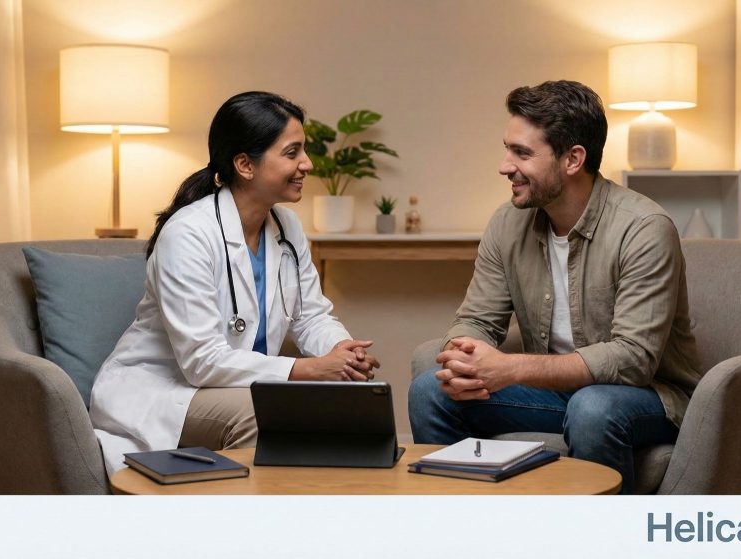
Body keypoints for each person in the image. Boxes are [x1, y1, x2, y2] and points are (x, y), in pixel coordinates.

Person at [408, 80, 701, 494]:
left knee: (593, 407)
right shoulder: (507, 223)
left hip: (647, 398)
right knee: (429, 391)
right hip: (555, 394)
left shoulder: (643, 229)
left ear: (573, 159)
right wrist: (465, 354)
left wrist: (511, 368)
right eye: (508, 149)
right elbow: (476, 319)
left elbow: (634, 359)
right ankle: (464, 534)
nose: (504, 166)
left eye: (522, 153)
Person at [90, 91, 380, 473]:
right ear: (245, 164)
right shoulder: (189, 234)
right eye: (292, 153)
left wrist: (342, 352)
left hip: (236, 385)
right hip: (170, 390)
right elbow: (201, 361)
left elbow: (311, 316)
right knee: (264, 418)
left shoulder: (287, 227)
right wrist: (306, 370)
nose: (307, 164)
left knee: (360, 405)